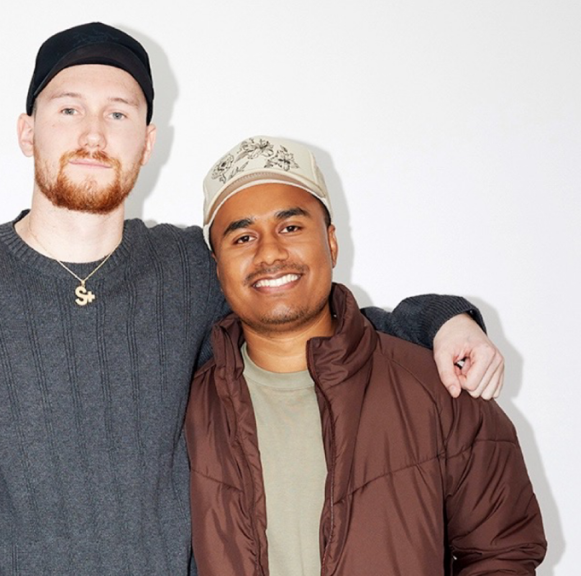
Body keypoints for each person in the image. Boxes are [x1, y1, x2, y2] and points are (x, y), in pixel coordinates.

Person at [0, 24, 504, 575]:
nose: (92, 132)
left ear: (148, 141)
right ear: (26, 129)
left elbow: (318, 313)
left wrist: (444, 317)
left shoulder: (189, 264)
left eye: (119, 113)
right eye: (67, 109)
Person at [187, 135, 545, 574]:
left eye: (291, 227)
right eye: (242, 237)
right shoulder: (185, 410)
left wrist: (446, 316)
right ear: (218, 268)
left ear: (332, 243)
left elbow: (502, 553)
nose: (271, 253)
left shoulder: (439, 391)